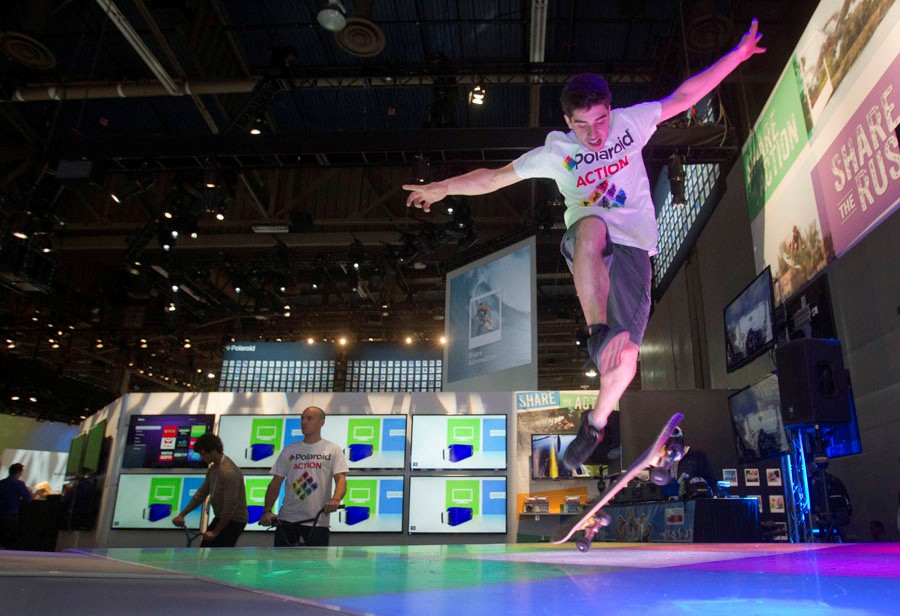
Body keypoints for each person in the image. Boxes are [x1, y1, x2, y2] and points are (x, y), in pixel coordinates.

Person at [404, 20, 765, 470]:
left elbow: (685, 97)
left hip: (635, 250)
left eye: (600, 121)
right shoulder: (555, 152)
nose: (595, 134)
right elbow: (493, 179)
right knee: (591, 225)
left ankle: (594, 426)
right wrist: (442, 187)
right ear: (566, 122)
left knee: (628, 356)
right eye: (582, 126)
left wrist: (736, 56)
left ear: (611, 110)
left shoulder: (632, 123)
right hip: (589, 241)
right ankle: (597, 332)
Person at [259, 406, 348, 546]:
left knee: (315, 567)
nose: (304, 422)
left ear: (322, 423)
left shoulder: (333, 449)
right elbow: (275, 483)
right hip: (287, 520)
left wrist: (336, 499)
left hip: (317, 522)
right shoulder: (289, 450)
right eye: (302, 418)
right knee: (282, 566)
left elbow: (341, 479)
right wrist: (267, 511)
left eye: (309, 418)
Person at [172, 433, 248, 547]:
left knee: (218, 556)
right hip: (221, 517)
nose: (202, 458)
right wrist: (182, 515)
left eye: (203, 454)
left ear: (212, 451)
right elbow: (201, 494)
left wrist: (215, 532)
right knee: (206, 549)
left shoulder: (229, 473)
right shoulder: (214, 468)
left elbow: (230, 507)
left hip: (234, 520)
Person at [0, 463, 33, 549]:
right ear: (18, 472)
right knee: (10, 540)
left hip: (1, 513)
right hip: (12, 515)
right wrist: (29, 490)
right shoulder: (19, 483)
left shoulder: (2, 483)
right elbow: (28, 498)